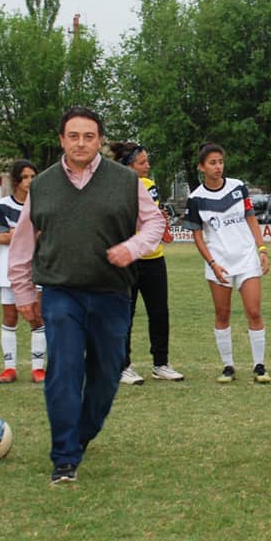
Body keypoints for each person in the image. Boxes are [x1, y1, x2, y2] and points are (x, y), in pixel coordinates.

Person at [9, 106, 166, 485]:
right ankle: (64, 457)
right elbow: (22, 243)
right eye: (73, 136)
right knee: (63, 369)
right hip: (62, 293)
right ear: (62, 140)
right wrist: (24, 293)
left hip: (112, 293)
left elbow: (156, 222)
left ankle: (80, 434)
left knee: (106, 374)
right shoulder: (42, 185)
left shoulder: (126, 181)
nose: (81, 143)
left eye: (89, 136)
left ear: (99, 140)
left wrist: (133, 247)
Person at [183, 143, 271, 384]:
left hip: (246, 258)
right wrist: (212, 263)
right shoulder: (196, 199)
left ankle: (259, 366)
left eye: (220, 161)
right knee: (222, 314)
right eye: (212, 163)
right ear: (201, 167)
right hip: (219, 263)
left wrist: (261, 249)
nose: (218, 167)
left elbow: (251, 220)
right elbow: (198, 236)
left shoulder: (238, 187)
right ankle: (228, 366)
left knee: (254, 311)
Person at [109, 141, 183, 385]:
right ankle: (123, 365)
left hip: (154, 259)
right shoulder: (117, 185)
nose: (148, 166)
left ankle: (160, 363)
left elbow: (151, 218)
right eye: (142, 163)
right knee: (124, 314)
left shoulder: (149, 185)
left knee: (159, 312)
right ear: (128, 166)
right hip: (128, 259)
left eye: (147, 161)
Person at [0, 160, 46, 384]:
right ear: (16, 180)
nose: (30, 181)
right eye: (25, 177)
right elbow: (1, 237)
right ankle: (9, 367)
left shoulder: (42, 204)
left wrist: (17, 232)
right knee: (10, 317)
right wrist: (30, 233)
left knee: (37, 317)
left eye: (33, 176)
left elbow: (46, 233)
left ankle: (38, 367)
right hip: (9, 268)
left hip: (38, 267)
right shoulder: (3, 205)